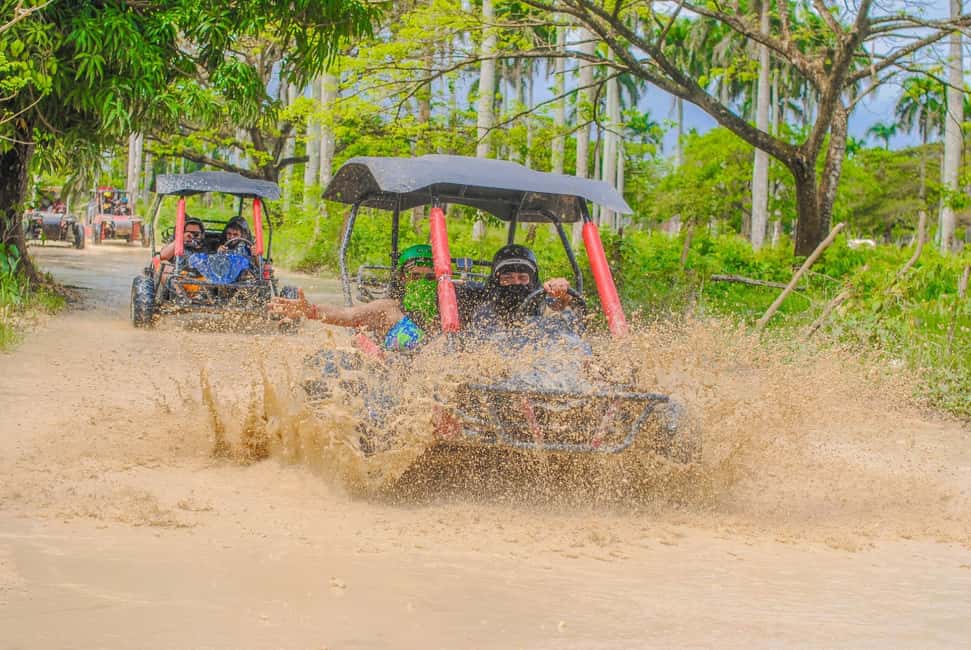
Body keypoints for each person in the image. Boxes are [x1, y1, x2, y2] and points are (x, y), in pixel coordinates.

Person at [269, 244, 440, 351]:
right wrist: (311, 311)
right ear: (403, 278)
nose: (422, 284)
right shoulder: (388, 309)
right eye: (415, 277)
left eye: (430, 278)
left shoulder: (450, 314)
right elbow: (347, 315)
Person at [470, 244, 574, 329]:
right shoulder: (483, 302)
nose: (516, 283)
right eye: (508, 278)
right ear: (496, 281)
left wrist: (560, 289)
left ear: (532, 281)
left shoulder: (540, 300)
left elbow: (562, 304)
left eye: (522, 278)